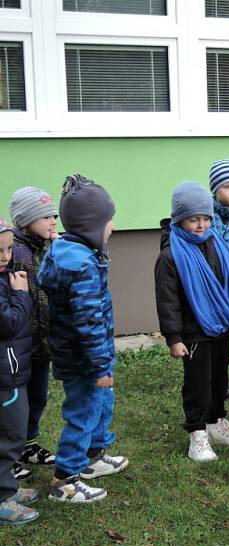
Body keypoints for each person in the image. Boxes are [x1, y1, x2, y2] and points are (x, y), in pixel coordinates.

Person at [38, 175, 128, 504]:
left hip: (84, 355)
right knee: (84, 412)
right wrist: (101, 366)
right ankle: (66, 479)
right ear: (91, 226)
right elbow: (88, 323)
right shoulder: (81, 268)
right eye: (108, 221)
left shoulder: (69, 251)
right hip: (84, 359)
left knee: (101, 405)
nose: (113, 226)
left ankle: (93, 457)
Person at [155, 181, 229, 463]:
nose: (201, 225)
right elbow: (167, 300)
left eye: (206, 218)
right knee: (198, 383)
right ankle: (197, 433)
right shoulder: (170, 255)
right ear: (178, 219)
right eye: (193, 220)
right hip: (193, 331)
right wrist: (173, 337)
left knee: (219, 379)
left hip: (219, 326)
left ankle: (215, 423)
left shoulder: (215, 243)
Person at [8, 187, 59, 480]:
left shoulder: (49, 248)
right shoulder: (13, 251)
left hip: (43, 343)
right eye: (45, 216)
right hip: (18, 344)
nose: (53, 221)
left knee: (38, 397)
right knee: (16, 403)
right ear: (26, 220)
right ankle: (9, 453)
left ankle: (27, 444)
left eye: (53, 215)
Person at [0, 217, 39, 524]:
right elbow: (11, 322)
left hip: (12, 371)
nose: (5, 256)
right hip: (4, 376)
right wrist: (21, 294)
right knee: (8, 436)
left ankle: (7, 487)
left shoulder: (3, 276)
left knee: (14, 432)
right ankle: (2, 498)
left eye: (9, 248)